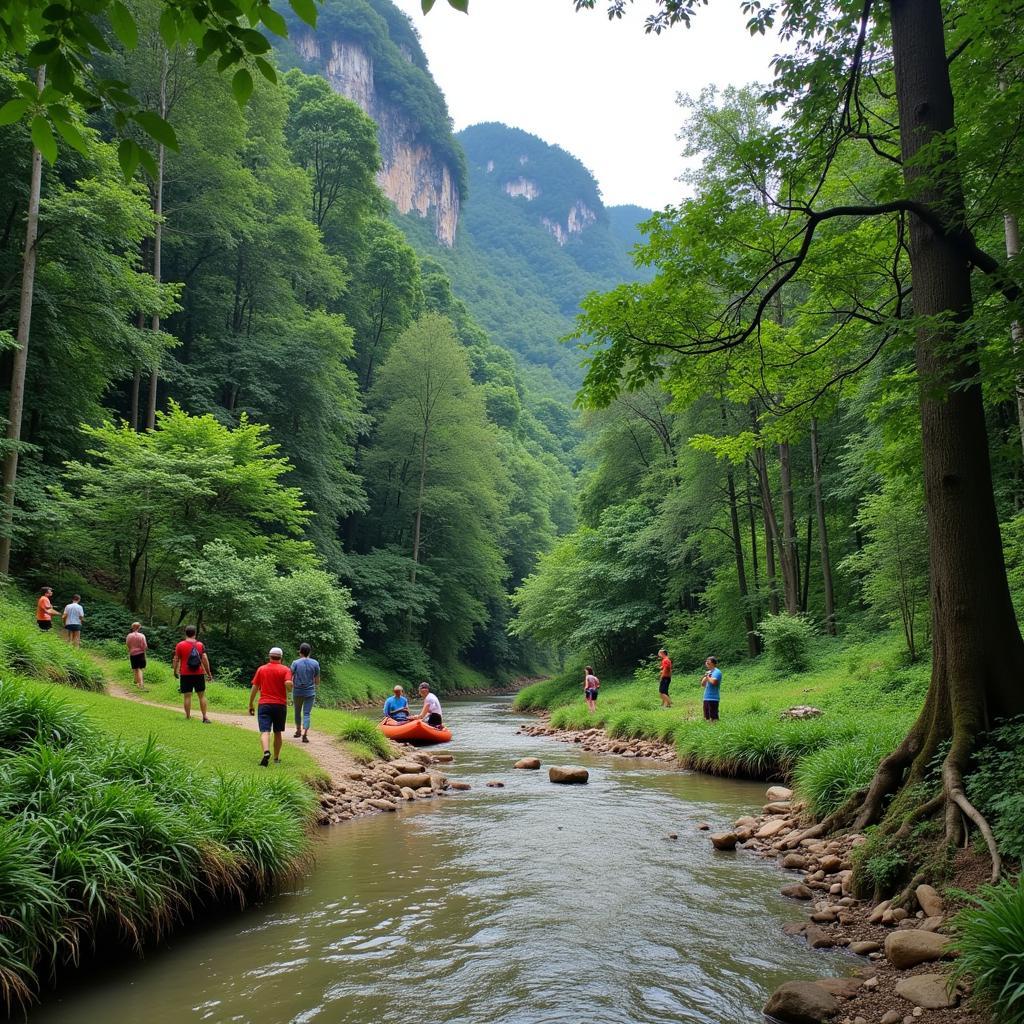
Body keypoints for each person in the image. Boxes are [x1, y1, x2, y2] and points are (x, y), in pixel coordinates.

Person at [249, 647, 293, 766]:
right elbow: (289, 685)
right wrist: (290, 686)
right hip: (280, 705)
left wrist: (251, 704)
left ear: (269, 656)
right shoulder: (286, 670)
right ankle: (276, 758)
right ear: (281, 658)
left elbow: (255, 687)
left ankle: (266, 751)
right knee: (278, 732)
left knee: (265, 731)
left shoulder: (261, 669)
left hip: (264, 704)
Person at [172, 625, 213, 723]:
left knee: (187, 696)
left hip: (185, 674)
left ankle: (187, 716)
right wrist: (208, 673)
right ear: (195, 633)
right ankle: (205, 717)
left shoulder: (180, 645)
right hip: (198, 673)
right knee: (202, 695)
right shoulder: (200, 645)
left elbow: (176, 659)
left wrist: (175, 671)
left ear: (185, 633)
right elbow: (205, 659)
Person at [290, 642, 320, 743]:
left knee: (297, 712)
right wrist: (315, 687)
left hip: (297, 691)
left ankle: (298, 730)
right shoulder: (315, 663)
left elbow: (290, 676)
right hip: (310, 692)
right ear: (309, 652)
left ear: (300, 652)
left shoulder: (295, 663)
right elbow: (317, 680)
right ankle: (305, 734)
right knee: (307, 713)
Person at [126, 622, 148, 690]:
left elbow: (128, 644)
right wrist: (144, 651)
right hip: (141, 653)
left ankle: (137, 682)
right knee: (139, 669)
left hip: (132, 653)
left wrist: (130, 650)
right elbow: (145, 646)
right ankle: (141, 684)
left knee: (135, 668)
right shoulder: (142, 636)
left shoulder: (129, 636)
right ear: (139, 628)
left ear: (132, 627)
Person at [700, 656, 722, 722]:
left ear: (713, 663)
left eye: (708, 661)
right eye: (706, 661)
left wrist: (707, 676)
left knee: (714, 718)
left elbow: (714, 682)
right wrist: (705, 676)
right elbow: (702, 684)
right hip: (706, 697)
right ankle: (709, 729)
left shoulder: (717, 672)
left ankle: (716, 729)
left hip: (713, 698)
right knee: (707, 718)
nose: (706, 662)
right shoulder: (709, 672)